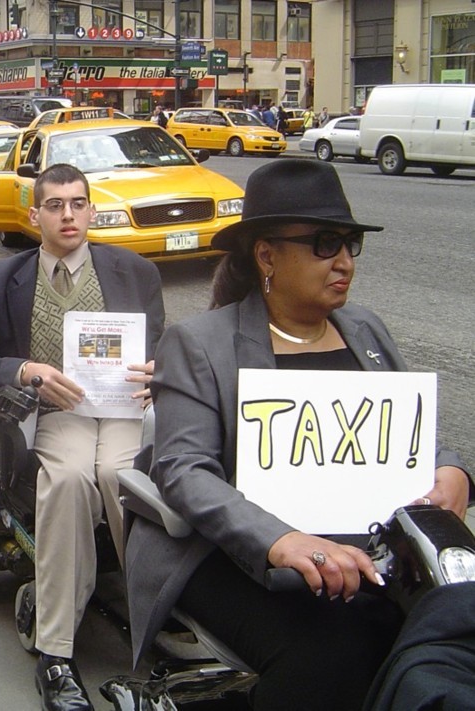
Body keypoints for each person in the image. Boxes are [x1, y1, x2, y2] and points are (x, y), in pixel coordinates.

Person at [124, 160, 472, 711]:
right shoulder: (200, 343)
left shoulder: (365, 330)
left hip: (369, 547)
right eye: (324, 243)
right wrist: (283, 541)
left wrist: (453, 469)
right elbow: (185, 470)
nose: (343, 262)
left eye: (350, 244)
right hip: (231, 549)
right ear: (266, 254)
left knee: (444, 630)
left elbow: (408, 433)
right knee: (334, 655)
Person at [0, 163, 165, 710]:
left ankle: (152, 617)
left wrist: (159, 372)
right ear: (34, 214)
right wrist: (25, 371)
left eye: (78, 203)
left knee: (120, 476)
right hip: (54, 412)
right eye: (56, 205)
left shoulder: (135, 270)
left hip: (120, 409)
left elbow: (165, 348)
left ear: (91, 209)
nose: (68, 214)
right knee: (67, 479)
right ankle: (56, 654)